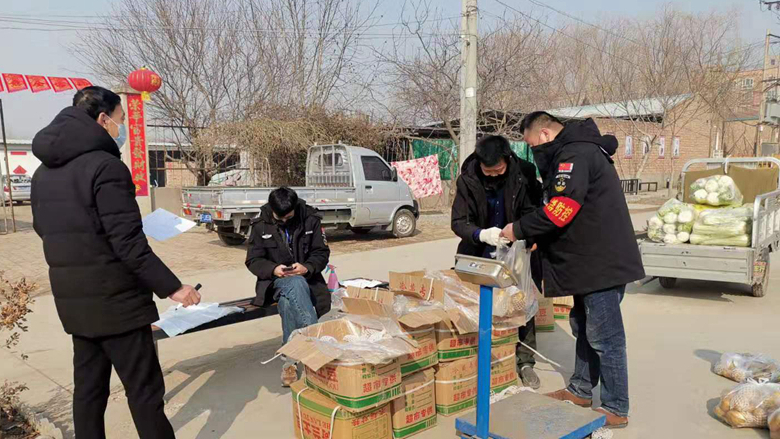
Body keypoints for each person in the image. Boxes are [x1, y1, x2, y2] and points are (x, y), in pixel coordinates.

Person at [31, 86, 201, 439]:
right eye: (120, 119)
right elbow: (128, 243)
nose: (121, 128)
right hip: (117, 303)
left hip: (74, 301)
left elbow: (43, 228)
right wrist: (173, 288)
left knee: (89, 390)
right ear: (103, 119)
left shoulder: (43, 173)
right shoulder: (106, 167)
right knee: (144, 391)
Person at [501, 111, 645, 428]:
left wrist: (518, 229)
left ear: (544, 135)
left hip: (601, 262)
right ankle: (580, 390)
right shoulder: (576, 150)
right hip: (588, 259)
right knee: (583, 325)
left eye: (531, 145)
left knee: (605, 337)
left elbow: (561, 210)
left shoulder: (575, 155)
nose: (533, 152)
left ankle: (616, 406)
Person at [451, 134, 544, 389]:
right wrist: (481, 234)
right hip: (479, 251)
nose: (493, 175)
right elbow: (458, 222)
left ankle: (525, 361)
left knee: (521, 304)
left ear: (508, 158)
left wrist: (527, 235)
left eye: (498, 169)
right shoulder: (467, 179)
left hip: (516, 250)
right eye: (487, 170)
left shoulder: (524, 174)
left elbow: (533, 211)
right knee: (479, 306)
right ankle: (487, 359)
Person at [245, 186, 331, 386]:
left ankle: (289, 362)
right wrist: (274, 269)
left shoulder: (310, 219)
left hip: (308, 278)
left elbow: (321, 252)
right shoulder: (260, 225)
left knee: (287, 303)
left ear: (295, 208)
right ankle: (315, 343)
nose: (284, 221)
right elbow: (253, 260)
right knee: (294, 283)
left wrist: (307, 267)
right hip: (275, 281)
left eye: (289, 217)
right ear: (272, 210)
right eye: (279, 218)